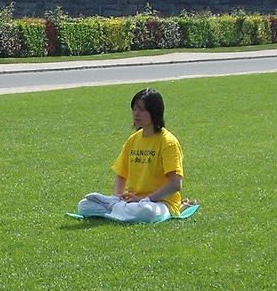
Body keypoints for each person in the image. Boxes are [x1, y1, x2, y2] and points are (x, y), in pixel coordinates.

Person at [76, 88, 193, 222]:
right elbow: (121, 175)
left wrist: (145, 199)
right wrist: (119, 196)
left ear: (154, 112)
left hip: (160, 202)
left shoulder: (168, 142)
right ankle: (116, 205)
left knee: (147, 212)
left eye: (142, 110)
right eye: (134, 109)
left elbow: (175, 184)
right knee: (84, 206)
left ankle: (115, 208)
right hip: (132, 201)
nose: (136, 114)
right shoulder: (133, 140)